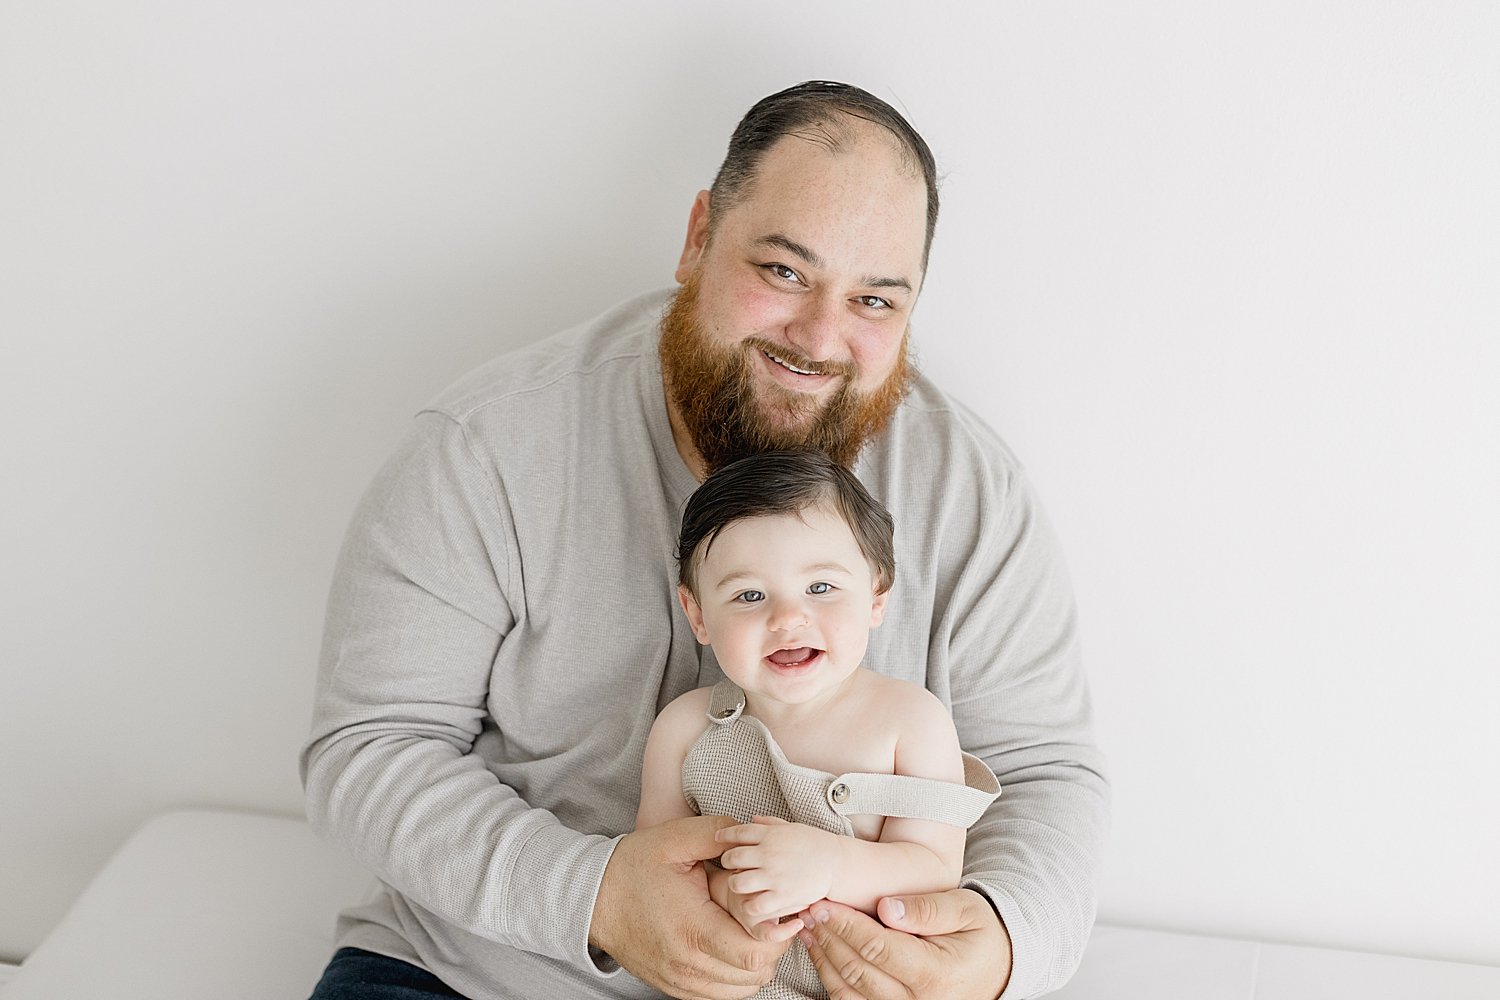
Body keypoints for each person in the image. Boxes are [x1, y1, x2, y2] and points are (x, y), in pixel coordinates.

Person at [302, 80, 1108, 1000]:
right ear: (697, 238)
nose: (819, 338)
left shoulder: (972, 492)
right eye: (784, 272)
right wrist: (595, 895)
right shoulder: (486, 448)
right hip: (482, 975)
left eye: (876, 301)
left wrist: (1003, 946)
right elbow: (370, 747)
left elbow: (1045, 772)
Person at [637, 448, 1002, 1000]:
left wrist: (830, 865)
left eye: (821, 588)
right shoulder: (684, 731)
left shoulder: (909, 721)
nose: (787, 618)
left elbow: (934, 869)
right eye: (749, 595)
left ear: (876, 597)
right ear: (698, 616)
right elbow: (658, 871)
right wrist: (724, 892)